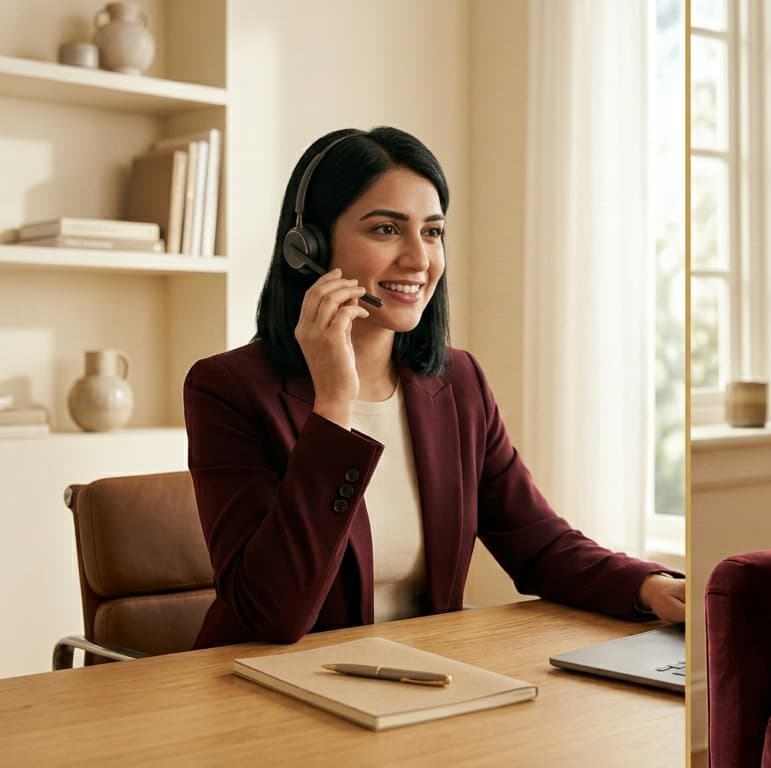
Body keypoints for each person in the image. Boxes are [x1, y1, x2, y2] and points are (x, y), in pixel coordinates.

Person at [184, 126, 684, 648]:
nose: (419, 260)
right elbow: (273, 615)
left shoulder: (458, 383)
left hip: (416, 688)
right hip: (262, 694)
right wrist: (333, 402)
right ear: (307, 246)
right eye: (385, 230)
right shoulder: (227, 389)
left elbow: (537, 543)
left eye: (432, 231)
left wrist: (647, 586)